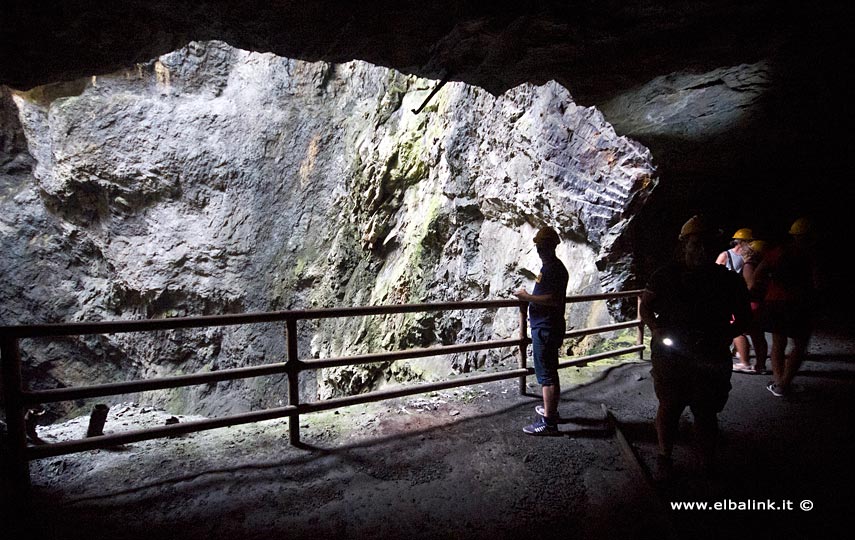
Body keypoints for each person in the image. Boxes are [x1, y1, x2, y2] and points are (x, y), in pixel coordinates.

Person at [639, 215, 752, 474]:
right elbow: (646, 306)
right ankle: (664, 456)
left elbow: (744, 317)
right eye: (696, 244)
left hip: (710, 352)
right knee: (669, 406)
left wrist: (725, 335)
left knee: (706, 410)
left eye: (708, 245)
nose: (701, 250)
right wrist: (656, 330)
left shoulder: (728, 281)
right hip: (672, 354)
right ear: (685, 245)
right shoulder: (665, 276)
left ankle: (707, 461)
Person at [752, 218, 819, 397]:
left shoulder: (778, 252)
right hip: (800, 303)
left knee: (778, 343)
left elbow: (758, 273)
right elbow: (818, 282)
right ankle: (784, 383)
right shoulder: (811, 254)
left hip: (775, 302)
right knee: (800, 344)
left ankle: (778, 382)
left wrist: (771, 285)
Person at [514, 226, 569, 435]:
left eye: (540, 245)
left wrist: (527, 297)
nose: (538, 249)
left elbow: (553, 299)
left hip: (546, 328)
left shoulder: (553, 269)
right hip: (546, 326)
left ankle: (548, 423)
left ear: (548, 247)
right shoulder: (551, 267)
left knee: (546, 375)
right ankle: (550, 411)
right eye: (538, 246)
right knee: (549, 372)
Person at [716, 228, 754, 372]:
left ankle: (744, 361)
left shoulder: (730, 256)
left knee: (738, 329)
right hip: (736, 294)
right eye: (749, 241)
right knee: (739, 326)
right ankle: (740, 353)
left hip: (733, 294)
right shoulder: (744, 257)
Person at [742, 240, 769, 374]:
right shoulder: (765, 264)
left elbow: (750, 285)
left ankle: (748, 363)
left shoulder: (749, 265)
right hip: (763, 302)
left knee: (745, 333)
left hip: (752, 302)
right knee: (759, 336)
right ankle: (761, 364)